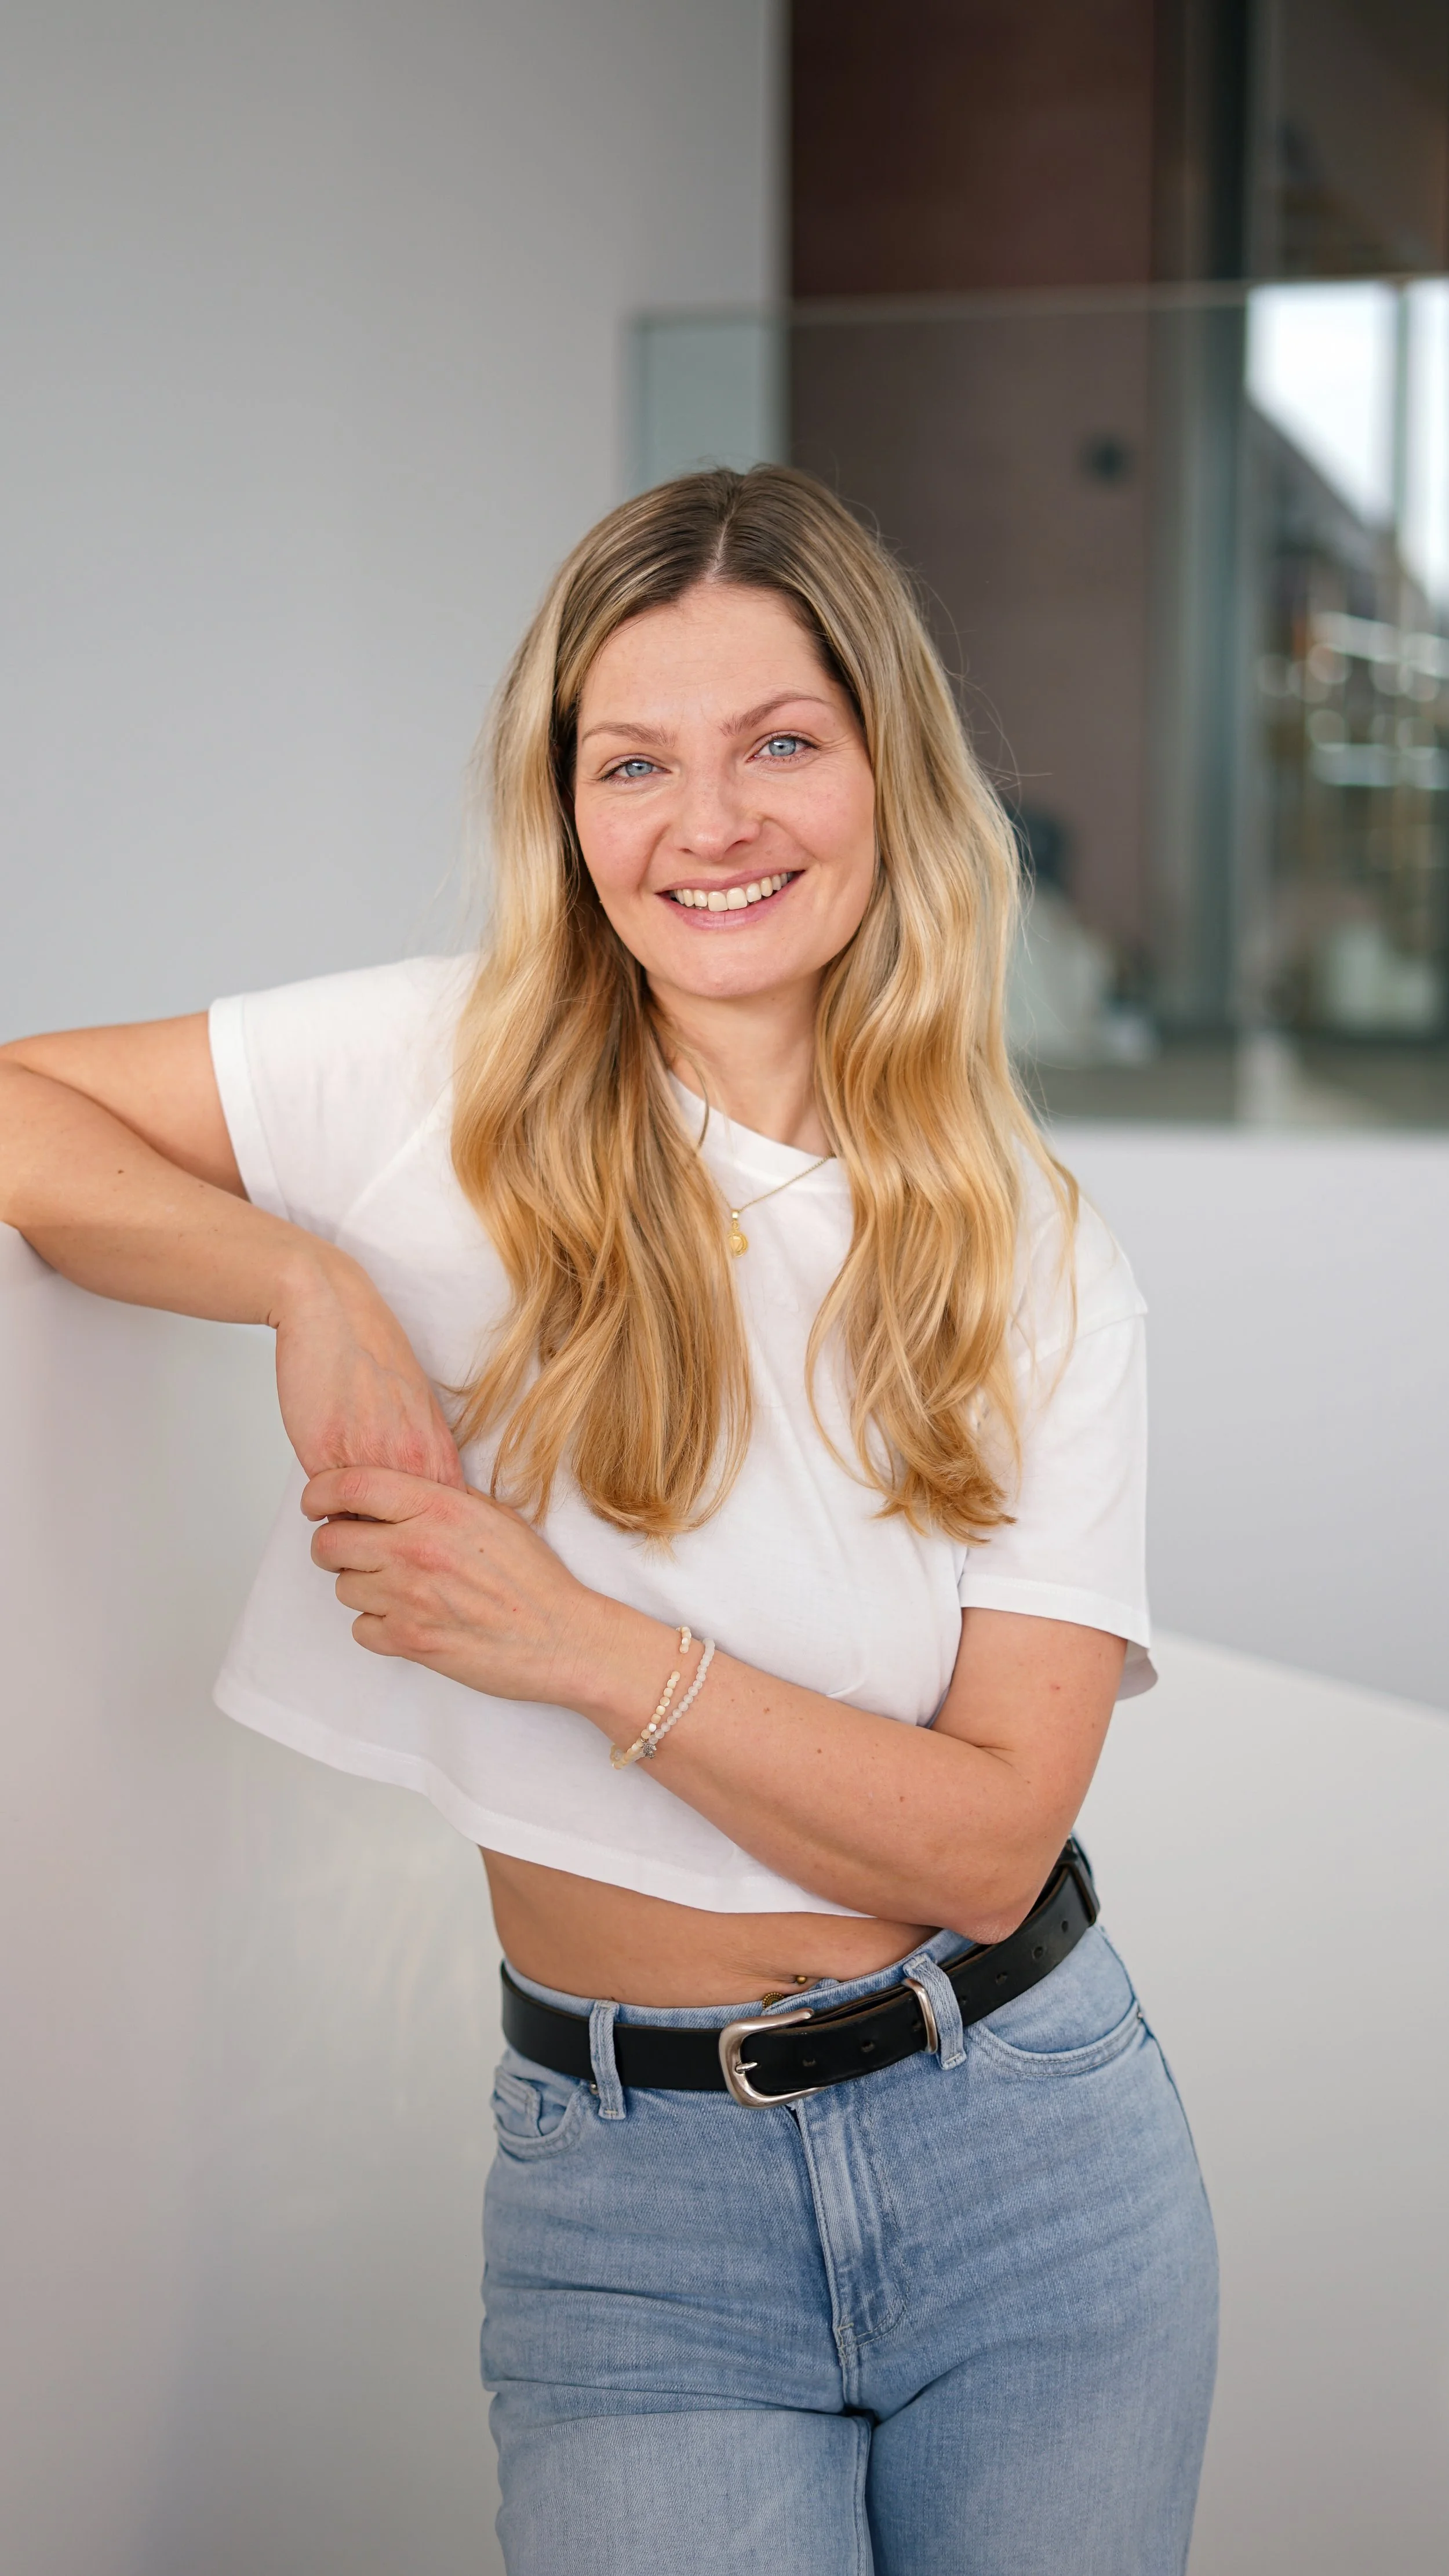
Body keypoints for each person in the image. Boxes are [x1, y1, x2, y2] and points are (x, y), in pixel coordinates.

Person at [0, 465, 1217, 2573]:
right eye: (632, 763)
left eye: (778, 744)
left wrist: (561, 1638)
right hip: (634, 2204)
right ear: (565, 811)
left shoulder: (1032, 1257)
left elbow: (983, 1843)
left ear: (886, 770)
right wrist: (303, 1279)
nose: (707, 824)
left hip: (1032, 2159)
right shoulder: (429, 1072)